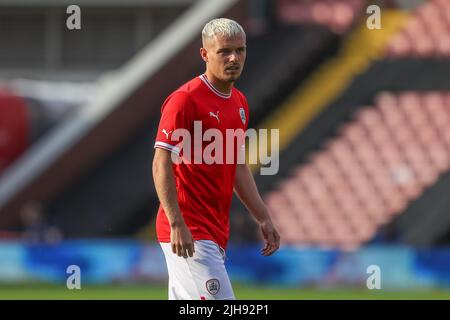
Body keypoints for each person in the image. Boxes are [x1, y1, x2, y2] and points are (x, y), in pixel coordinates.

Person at [152, 18, 280, 300]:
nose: (234, 57)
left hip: (214, 230)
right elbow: (161, 162)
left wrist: (262, 217)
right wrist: (177, 224)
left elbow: (237, 167)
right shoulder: (185, 100)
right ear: (205, 54)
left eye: (240, 50)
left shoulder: (240, 103)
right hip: (189, 230)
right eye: (224, 51)